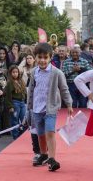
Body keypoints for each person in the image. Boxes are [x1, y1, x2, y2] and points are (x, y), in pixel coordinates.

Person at [27, 43, 73, 172]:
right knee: (40, 134)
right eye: (39, 57)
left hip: (50, 108)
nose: (42, 60)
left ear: (50, 58)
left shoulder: (56, 73)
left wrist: (69, 104)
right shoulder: (33, 72)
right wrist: (28, 107)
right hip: (36, 108)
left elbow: (64, 89)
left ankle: (52, 159)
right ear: (35, 57)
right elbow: (31, 90)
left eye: (45, 57)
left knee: (50, 133)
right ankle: (43, 154)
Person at [5, 65, 27, 140]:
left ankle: (22, 135)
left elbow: (25, 92)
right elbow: (8, 95)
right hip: (15, 103)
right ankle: (15, 137)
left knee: (24, 120)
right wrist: (10, 106)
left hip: (22, 103)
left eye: (16, 72)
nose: (15, 74)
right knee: (14, 120)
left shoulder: (21, 81)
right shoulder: (9, 83)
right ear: (10, 73)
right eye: (13, 72)